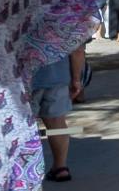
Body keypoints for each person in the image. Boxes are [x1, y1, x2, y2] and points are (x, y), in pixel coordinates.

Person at [28, 40, 88, 181]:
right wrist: (76, 80)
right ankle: (61, 167)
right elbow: (77, 50)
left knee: (25, 126)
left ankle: (28, 172)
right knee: (57, 122)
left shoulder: (17, 17)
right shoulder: (61, 17)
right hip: (58, 76)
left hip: (25, 78)